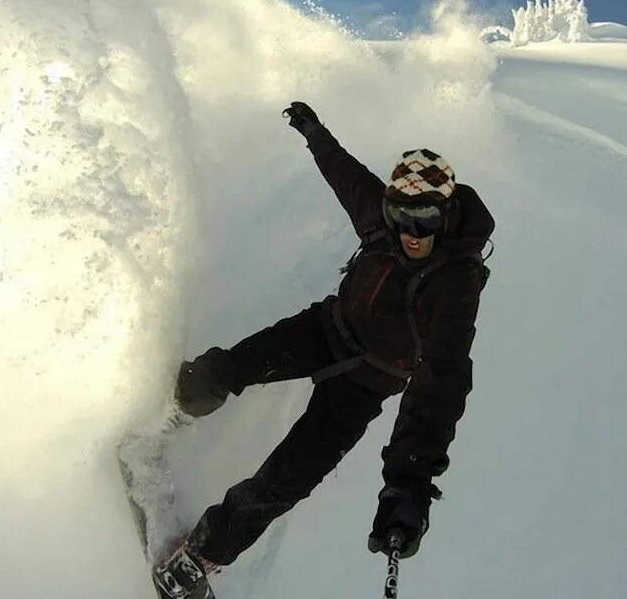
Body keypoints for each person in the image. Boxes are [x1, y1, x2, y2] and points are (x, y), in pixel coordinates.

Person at [174, 101, 495, 571]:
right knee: (229, 367)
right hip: (325, 329)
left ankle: (203, 555)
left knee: (288, 478)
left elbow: (440, 382)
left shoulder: (455, 282)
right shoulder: (384, 221)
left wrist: (408, 484)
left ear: (444, 217)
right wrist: (315, 133)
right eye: (399, 217)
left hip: (364, 385)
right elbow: (345, 175)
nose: (409, 233)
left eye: (423, 220)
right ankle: (179, 403)